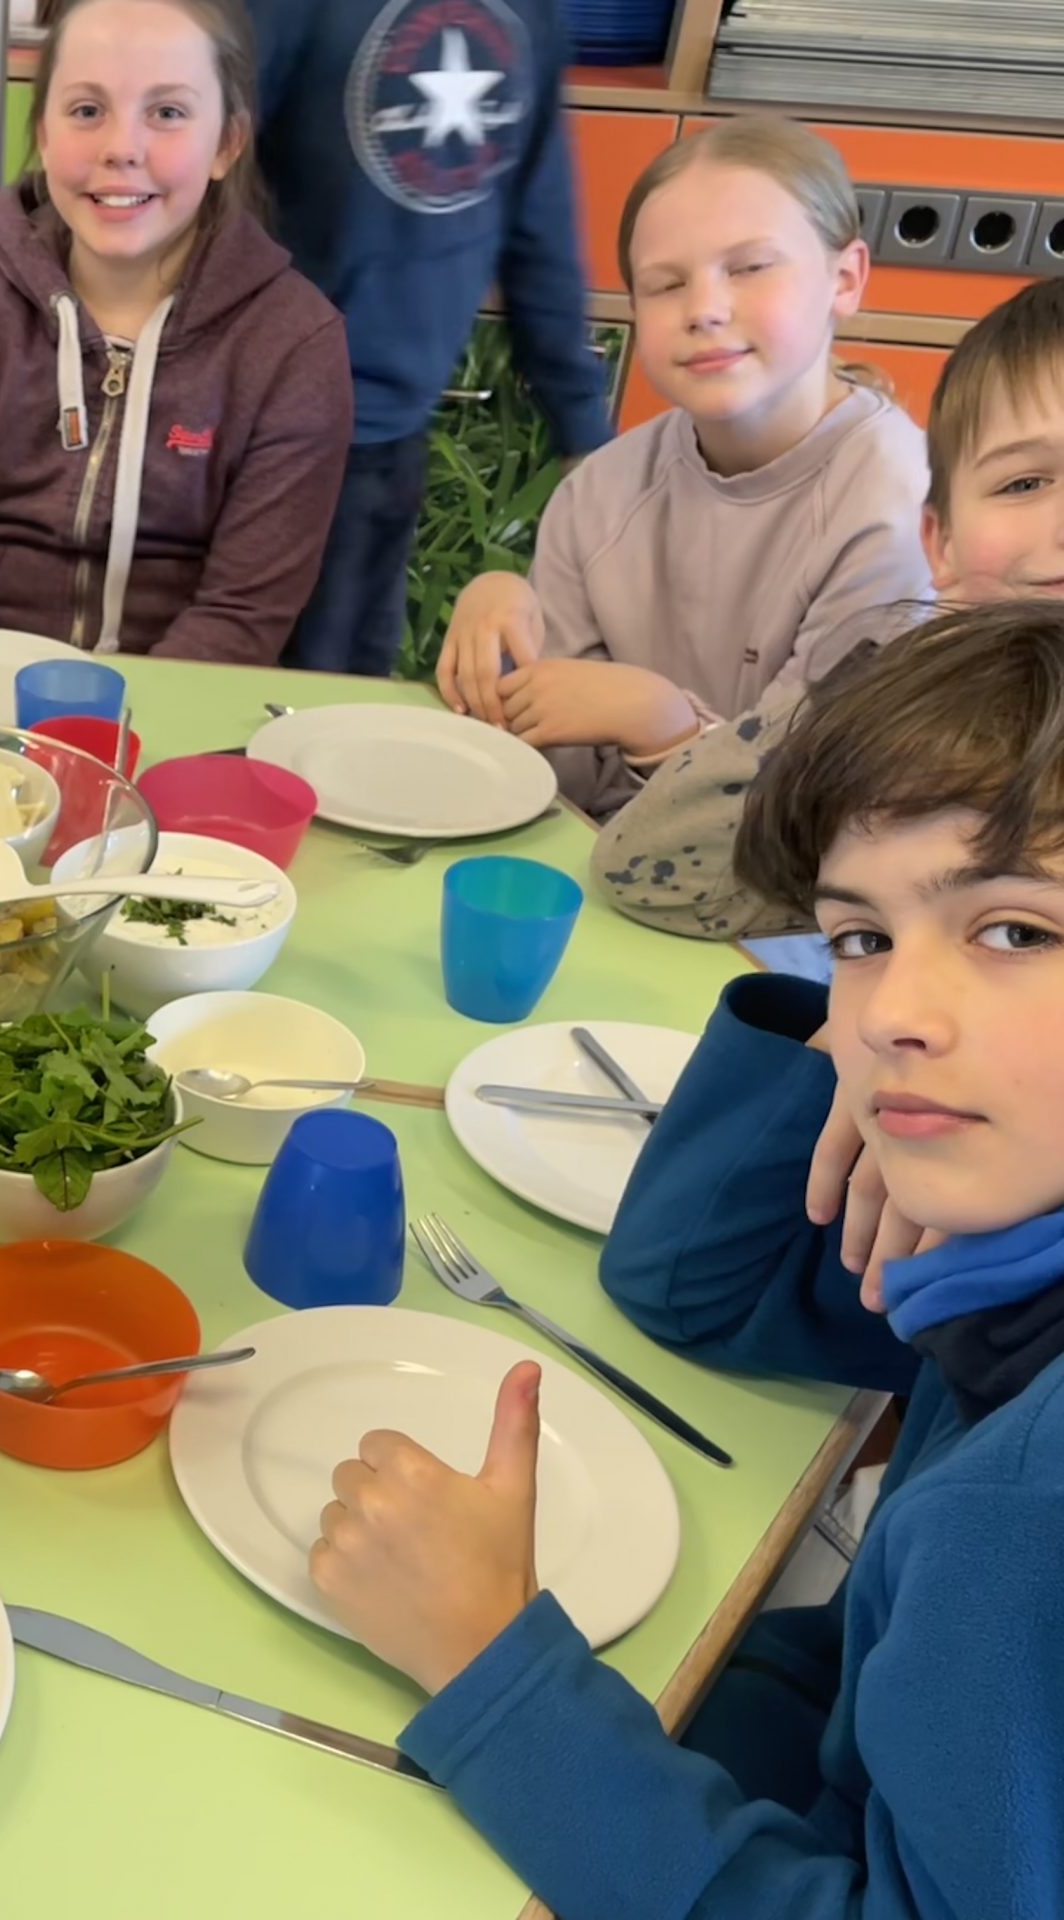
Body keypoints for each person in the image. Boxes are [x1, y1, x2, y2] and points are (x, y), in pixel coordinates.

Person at [307, 598, 1064, 1919]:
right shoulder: (999, 1268)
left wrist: (496, 1673)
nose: (896, 1012)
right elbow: (688, 1288)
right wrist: (843, 1069)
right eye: (861, 938)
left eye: (1014, 931)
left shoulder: (1025, 1504)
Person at [435, 116, 933, 822]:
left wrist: (661, 723)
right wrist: (507, 636)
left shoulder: (901, 511)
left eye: (750, 268)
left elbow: (815, 813)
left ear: (845, 278)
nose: (703, 310)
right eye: (665, 284)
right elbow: (554, 783)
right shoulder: (600, 491)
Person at [0, 0, 351, 662]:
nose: (121, 148)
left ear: (227, 144)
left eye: (168, 112)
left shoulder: (296, 345)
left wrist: (111, 719)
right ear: (44, 133)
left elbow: (241, 614)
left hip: (177, 703)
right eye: (87, 110)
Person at [596, 278, 1064, 939]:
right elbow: (644, 870)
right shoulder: (916, 739)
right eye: (1024, 482)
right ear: (943, 545)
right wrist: (883, 685)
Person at [244, 0, 617, 678]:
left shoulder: (530, 18)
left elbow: (540, 220)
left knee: (346, 691)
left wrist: (583, 430)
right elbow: (201, 162)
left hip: (390, 442)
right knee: (233, 679)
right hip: (261, 429)